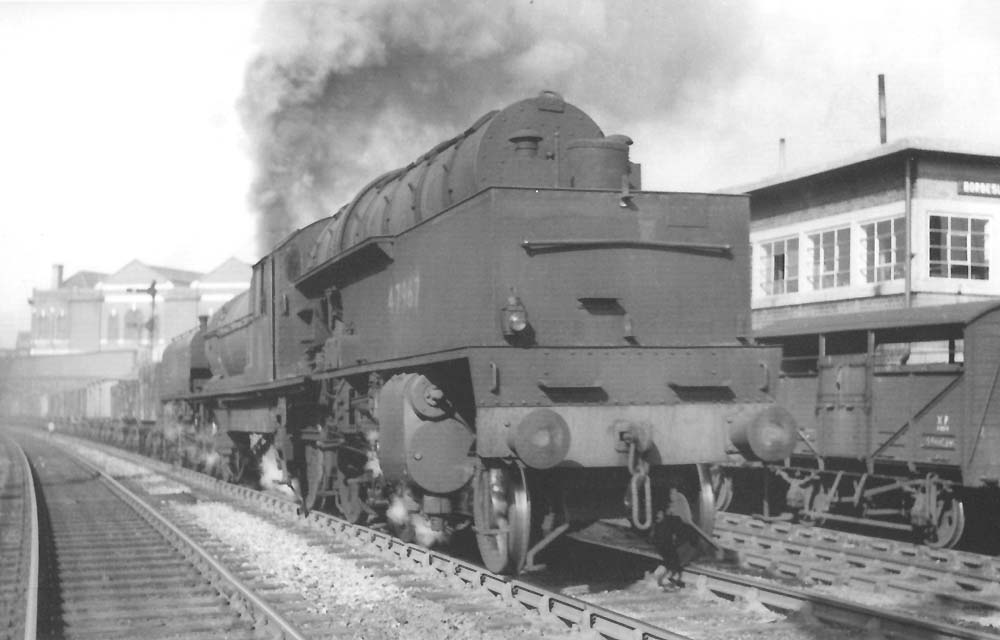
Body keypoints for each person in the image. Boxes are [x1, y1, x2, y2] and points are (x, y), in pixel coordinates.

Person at [651, 487, 696, 588]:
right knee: (671, 556)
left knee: (671, 556)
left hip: (667, 537)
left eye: (674, 493)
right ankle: (665, 575)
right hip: (665, 538)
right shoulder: (667, 513)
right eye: (672, 493)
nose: (674, 496)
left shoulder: (672, 514)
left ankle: (667, 574)